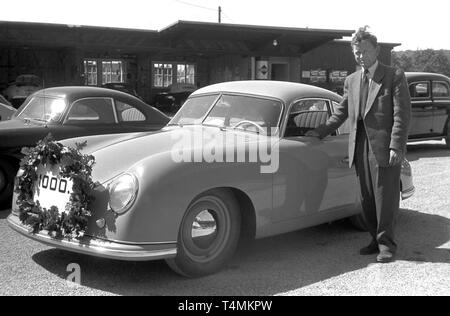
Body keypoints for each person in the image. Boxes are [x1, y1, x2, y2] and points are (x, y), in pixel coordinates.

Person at [306, 27, 411, 263]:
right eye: (356, 52)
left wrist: (396, 146)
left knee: (385, 199)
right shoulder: (351, 80)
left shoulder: (394, 75)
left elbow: (402, 115)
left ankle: (388, 246)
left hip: (384, 148)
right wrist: (319, 131)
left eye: (364, 51)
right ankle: (375, 239)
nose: (360, 56)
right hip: (360, 146)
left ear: (377, 50)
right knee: (367, 199)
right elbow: (341, 112)